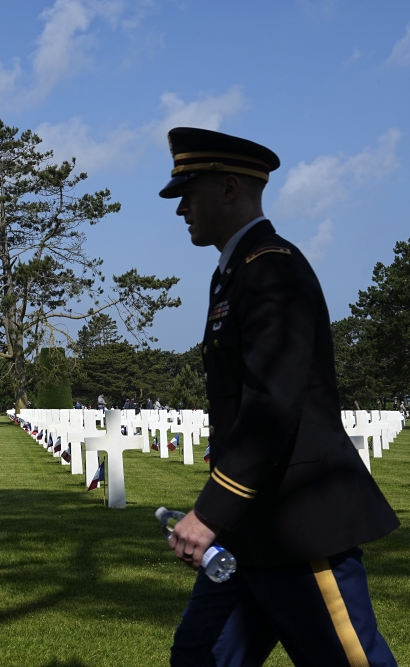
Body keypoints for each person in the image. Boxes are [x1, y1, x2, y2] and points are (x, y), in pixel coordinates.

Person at [159, 127, 399, 665]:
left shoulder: (270, 269)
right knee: (200, 656)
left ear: (229, 190)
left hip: (298, 524)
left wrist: (210, 511)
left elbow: (273, 403)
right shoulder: (233, 275)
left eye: (189, 193)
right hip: (251, 529)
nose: (181, 211)